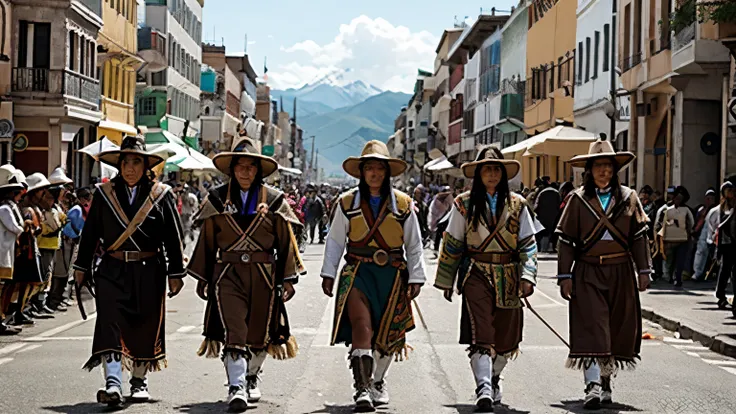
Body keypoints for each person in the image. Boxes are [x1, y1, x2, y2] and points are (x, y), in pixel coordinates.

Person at [187, 136, 304, 412]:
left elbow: (286, 240)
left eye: (251, 167)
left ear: (258, 170)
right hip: (227, 273)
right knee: (235, 329)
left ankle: (252, 375)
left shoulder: (274, 200)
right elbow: (206, 239)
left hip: (264, 274)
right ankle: (236, 386)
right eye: (240, 166)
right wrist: (203, 276)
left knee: (260, 331)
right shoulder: (216, 199)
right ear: (232, 169)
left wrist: (288, 278)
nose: (245, 171)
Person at [72, 136, 186, 406]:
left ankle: (139, 379)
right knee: (109, 322)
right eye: (126, 162)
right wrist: (81, 267)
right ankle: (113, 382)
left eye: (136, 161)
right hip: (112, 269)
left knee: (144, 326)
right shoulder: (103, 194)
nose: (130, 168)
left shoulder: (161, 195)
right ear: (119, 165)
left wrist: (176, 273)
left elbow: (173, 236)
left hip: (149, 270)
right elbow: (90, 236)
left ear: (146, 166)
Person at [320, 140, 426, 412]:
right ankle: (362, 388)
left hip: (392, 275)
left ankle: (378, 380)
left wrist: (416, 277)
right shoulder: (346, 203)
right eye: (370, 168)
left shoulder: (404, 204)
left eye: (380, 168)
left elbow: (414, 244)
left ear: (387, 172)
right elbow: (334, 241)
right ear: (362, 172)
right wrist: (328, 273)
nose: (375, 173)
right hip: (358, 272)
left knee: (388, 332)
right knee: (362, 327)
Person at [434, 147, 539, 412]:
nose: (491, 174)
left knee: (506, 336)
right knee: (481, 331)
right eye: (486, 169)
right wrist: (446, 279)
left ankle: (493, 377)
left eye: (496, 169)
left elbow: (528, 243)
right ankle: (483, 388)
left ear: (503, 174)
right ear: (478, 174)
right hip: (476, 273)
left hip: (510, 275)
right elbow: (453, 241)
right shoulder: (463, 203)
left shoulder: (518, 204)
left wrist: (528, 275)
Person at [556, 139, 651, 409]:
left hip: (621, 271)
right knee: (592, 328)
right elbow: (566, 241)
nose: (603, 172)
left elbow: (639, 237)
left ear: (614, 169)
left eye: (608, 166)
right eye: (598, 166)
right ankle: (592, 385)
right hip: (587, 271)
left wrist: (644, 270)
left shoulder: (629, 198)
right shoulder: (577, 200)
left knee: (616, 329)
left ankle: (606, 383)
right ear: (589, 170)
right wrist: (565, 277)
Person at [50, 187, 92, 311]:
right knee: (61, 270)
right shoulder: (76, 210)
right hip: (68, 241)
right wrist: (74, 236)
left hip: (73, 241)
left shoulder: (79, 209)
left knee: (67, 271)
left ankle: (61, 297)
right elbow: (68, 226)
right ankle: (55, 299)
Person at [0, 165, 26, 335]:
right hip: (2, 254)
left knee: (4, 288)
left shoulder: (9, 208)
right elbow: (17, 228)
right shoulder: (4, 209)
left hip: (7, 253)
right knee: (2, 288)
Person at [655, 186, 693, 287]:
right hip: (668, 239)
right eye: (677, 197)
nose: (678, 200)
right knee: (669, 260)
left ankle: (677, 278)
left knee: (680, 260)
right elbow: (659, 224)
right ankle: (668, 276)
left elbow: (691, 223)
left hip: (682, 239)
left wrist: (688, 233)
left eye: (681, 198)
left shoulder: (686, 210)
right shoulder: (665, 209)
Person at [715, 180, 735, 311]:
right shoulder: (723, 207)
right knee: (725, 270)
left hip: (733, 242)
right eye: (727, 191)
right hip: (726, 243)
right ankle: (720, 295)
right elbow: (721, 226)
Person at [692, 188, 718, 281]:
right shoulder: (702, 209)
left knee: (714, 254)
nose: (709, 200)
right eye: (708, 198)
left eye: (711, 198)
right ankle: (697, 273)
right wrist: (694, 232)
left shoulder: (717, 210)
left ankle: (713, 273)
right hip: (703, 234)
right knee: (700, 252)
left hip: (714, 234)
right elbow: (699, 221)